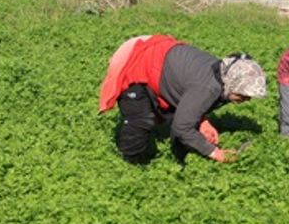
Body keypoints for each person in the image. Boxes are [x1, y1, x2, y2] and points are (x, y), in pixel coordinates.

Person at [99, 34, 266, 163]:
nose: (246, 99)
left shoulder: (222, 75)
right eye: (243, 94)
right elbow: (182, 126)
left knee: (179, 120)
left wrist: (202, 121)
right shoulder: (209, 88)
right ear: (234, 83)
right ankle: (130, 164)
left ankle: (180, 157)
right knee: (141, 120)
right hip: (136, 59)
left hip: (160, 60)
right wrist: (215, 153)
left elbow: (190, 95)